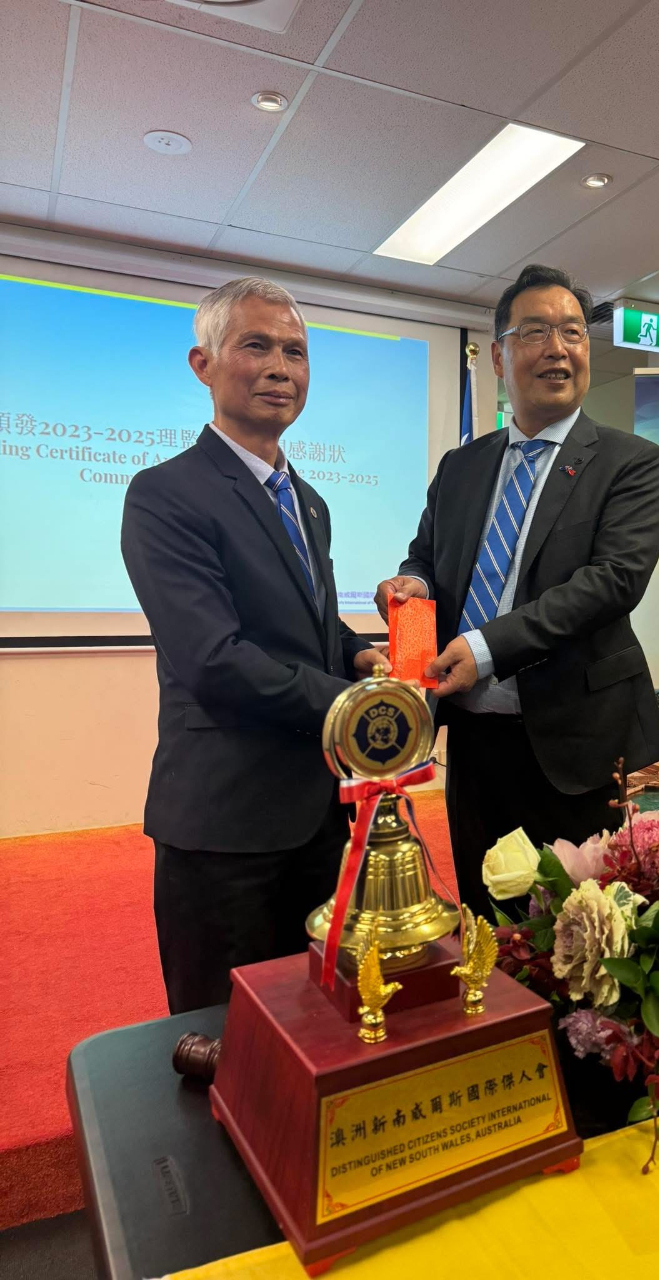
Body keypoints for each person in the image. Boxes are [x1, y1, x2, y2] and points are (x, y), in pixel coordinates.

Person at [122, 276, 387, 1014]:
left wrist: (361, 654)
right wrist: (361, 704)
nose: (281, 367)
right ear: (203, 365)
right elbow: (214, 658)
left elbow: (308, 624)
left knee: (313, 1022)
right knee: (227, 1039)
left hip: (318, 815)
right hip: (223, 825)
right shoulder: (164, 494)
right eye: (257, 346)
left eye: (296, 352)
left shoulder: (309, 501)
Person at [375, 264, 659, 917]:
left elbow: (613, 581)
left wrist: (483, 647)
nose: (559, 349)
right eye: (536, 332)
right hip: (476, 736)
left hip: (579, 740)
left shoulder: (630, 462)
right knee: (485, 912)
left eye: (573, 333)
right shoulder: (463, 464)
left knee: (585, 925)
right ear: (501, 354)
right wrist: (411, 584)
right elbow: (426, 556)